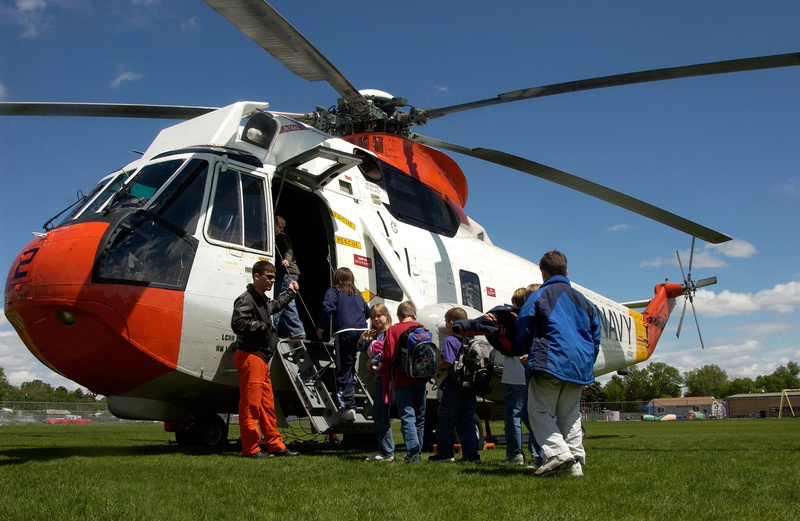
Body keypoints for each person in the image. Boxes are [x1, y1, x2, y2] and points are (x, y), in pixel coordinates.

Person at [516, 250, 600, 477]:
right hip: (580, 364)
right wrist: (587, 360)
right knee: (570, 415)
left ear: (543, 272)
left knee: (538, 411)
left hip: (550, 359)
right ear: (567, 271)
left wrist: (527, 350)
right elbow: (596, 336)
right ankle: (575, 463)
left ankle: (558, 453)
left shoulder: (539, 296)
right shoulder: (585, 301)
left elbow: (524, 325)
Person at [451, 286, 540, 465]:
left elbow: (487, 324)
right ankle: (537, 453)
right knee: (533, 414)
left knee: (514, 415)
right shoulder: (535, 321)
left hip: (516, 373)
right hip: (532, 372)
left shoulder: (512, 319)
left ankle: (515, 454)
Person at [231, 260, 301, 459]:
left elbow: (275, 305)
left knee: (266, 405)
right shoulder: (245, 300)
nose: (272, 280)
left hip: (260, 358)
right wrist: (263, 327)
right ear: (256, 276)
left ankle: (275, 445)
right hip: (251, 356)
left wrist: (290, 293)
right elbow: (238, 324)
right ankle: (251, 449)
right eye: (269, 277)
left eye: (273, 276)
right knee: (251, 405)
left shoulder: (261, 299)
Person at [317, 267, 370, 422]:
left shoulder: (334, 291)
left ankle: (349, 407)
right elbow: (367, 312)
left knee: (343, 370)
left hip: (344, 332)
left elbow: (327, 308)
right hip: (361, 331)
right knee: (350, 365)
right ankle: (351, 398)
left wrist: (321, 328)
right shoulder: (357, 293)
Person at [429, 307, 481, 463]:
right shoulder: (470, 340)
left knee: (446, 420)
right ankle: (471, 454)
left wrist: (439, 366)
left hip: (454, 386)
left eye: (446, 322)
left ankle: (445, 453)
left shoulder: (450, 340)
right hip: (469, 386)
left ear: (452, 322)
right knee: (467, 421)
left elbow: (448, 361)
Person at [381, 301, 426, 464]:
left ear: (399, 316)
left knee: (408, 416)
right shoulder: (423, 329)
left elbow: (387, 357)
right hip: (421, 377)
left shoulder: (392, 330)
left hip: (401, 378)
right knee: (420, 416)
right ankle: (417, 452)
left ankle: (413, 453)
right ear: (414, 314)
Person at [359, 303, 395, 462]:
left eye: (379, 315)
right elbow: (362, 347)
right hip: (380, 377)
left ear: (386, 315)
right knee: (380, 413)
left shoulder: (388, 333)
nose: (376, 319)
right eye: (373, 317)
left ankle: (386, 451)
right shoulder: (377, 334)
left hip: (386, 378)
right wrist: (361, 341)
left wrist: (371, 361)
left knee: (380, 413)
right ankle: (385, 450)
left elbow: (387, 352)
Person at [273, 216, 306, 340]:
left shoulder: (281, 237)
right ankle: (297, 331)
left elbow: (289, 250)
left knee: (280, 299)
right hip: (290, 273)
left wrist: (286, 260)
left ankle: (272, 328)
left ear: (279, 227)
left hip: (287, 273)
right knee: (288, 301)